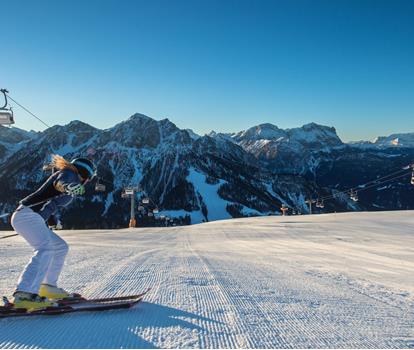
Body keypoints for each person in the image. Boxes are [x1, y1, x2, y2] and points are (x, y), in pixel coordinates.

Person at [10, 154, 96, 310]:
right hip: (26, 215)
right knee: (46, 248)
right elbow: (60, 182)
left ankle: (48, 286)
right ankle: (25, 294)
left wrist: (52, 220)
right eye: (89, 177)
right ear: (85, 173)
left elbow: (52, 204)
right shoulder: (69, 174)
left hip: (33, 217)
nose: (89, 181)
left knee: (60, 247)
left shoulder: (72, 181)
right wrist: (67, 186)